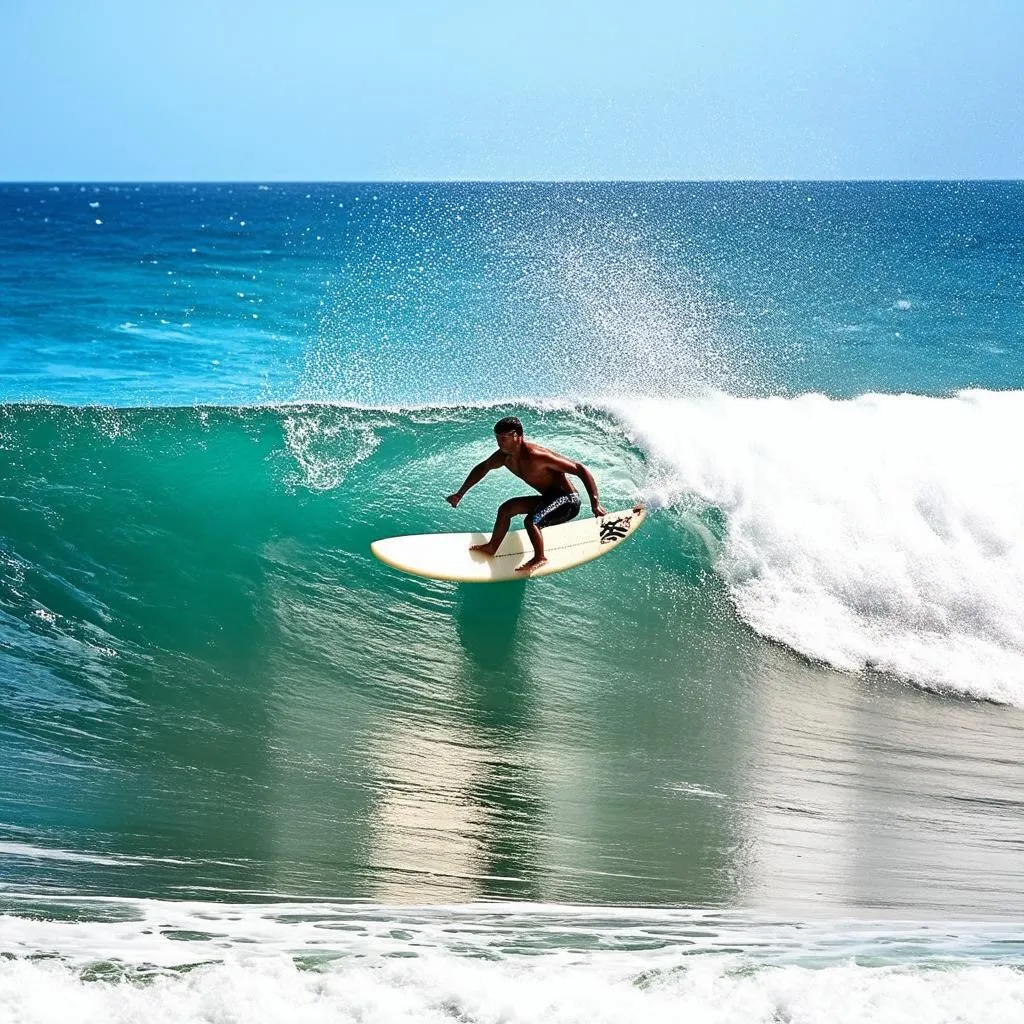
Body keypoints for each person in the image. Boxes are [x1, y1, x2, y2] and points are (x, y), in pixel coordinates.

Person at [445, 416, 608, 573]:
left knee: (531, 521)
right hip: (548, 499)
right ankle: (492, 547)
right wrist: (460, 494)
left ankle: (540, 557)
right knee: (506, 509)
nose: (499, 443)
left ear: (517, 436)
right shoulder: (503, 457)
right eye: (497, 438)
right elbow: (483, 467)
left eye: (503, 438)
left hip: (568, 501)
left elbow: (579, 469)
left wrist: (595, 503)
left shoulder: (536, 455)